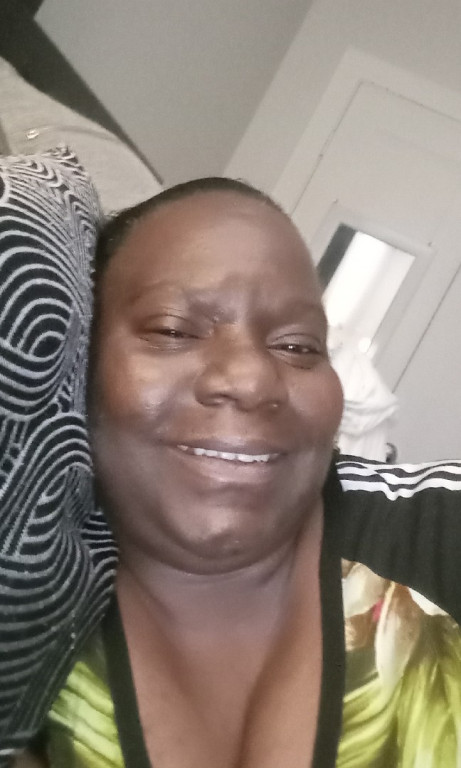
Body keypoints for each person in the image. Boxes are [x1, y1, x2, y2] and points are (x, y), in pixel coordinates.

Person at [16, 178, 461, 767]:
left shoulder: (437, 533)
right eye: (173, 330)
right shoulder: (25, 598)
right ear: (79, 359)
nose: (252, 379)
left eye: (299, 346)